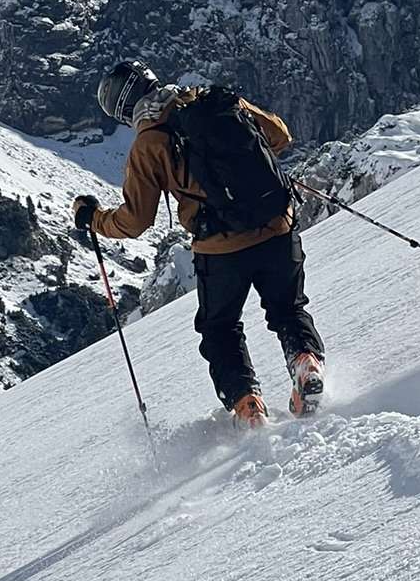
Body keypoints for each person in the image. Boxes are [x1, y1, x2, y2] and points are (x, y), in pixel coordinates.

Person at [74, 61, 325, 428]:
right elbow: (279, 136)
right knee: (288, 309)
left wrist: (93, 218)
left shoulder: (149, 142)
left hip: (220, 248)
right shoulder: (216, 100)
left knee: (220, 328)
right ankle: (305, 364)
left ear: (123, 109)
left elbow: (135, 220)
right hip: (276, 227)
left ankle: (247, 404)